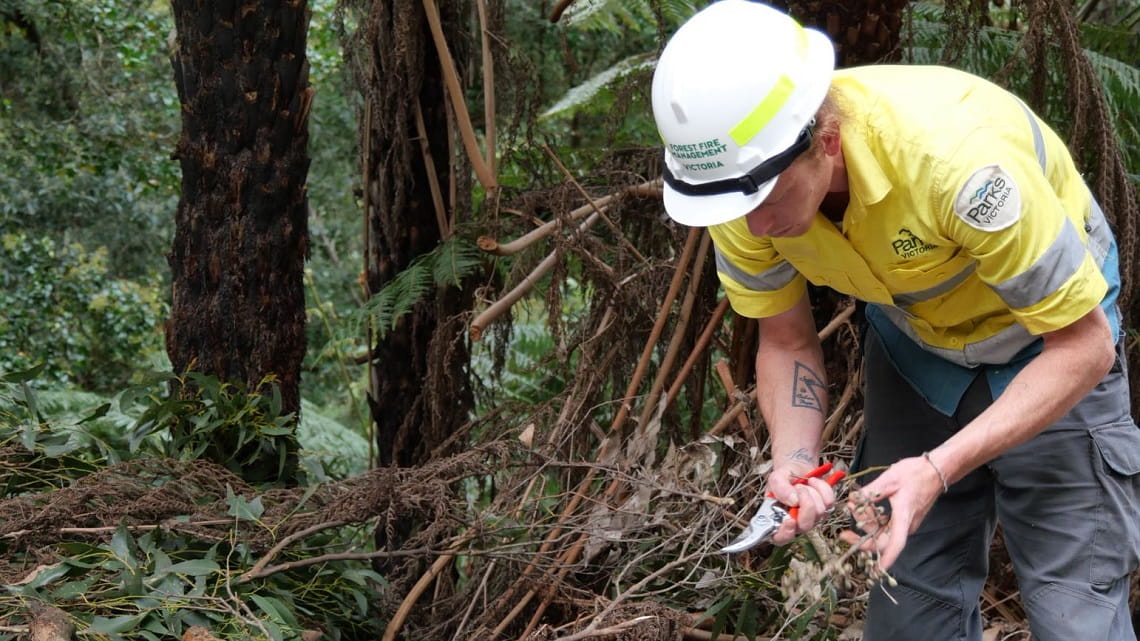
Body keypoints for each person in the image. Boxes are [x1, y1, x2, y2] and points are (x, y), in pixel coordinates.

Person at [650, 2, 1140, 640]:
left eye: (764, 201)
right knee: (909, 618)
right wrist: (793, 462)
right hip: (919, 354)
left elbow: (1083, 348)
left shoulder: (958, 165)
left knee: (1078, 619)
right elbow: (788, 339)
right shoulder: (741, 196)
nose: (755, 229)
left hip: (1051, 343)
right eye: (731, 205)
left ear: (826, 142)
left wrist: (939, 467)